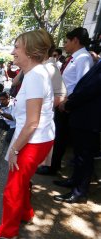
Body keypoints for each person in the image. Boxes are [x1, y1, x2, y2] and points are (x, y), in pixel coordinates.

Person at [0, 29, 55, 239]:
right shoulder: (34, 73)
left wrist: (15, 149)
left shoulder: (36, 76)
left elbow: (32, 122)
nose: (12, 52)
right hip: (37, 138)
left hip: (32, 141)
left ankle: (8, 231)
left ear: (30, 50)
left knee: (13, 188)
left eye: (17, 47)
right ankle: (26, 214)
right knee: (22, 181)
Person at [37, 27, 94, 176]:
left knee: (62, 138)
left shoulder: (83, 58)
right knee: (58, 136)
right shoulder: (75, 58)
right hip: (63, 104)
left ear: (75, 40)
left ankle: (53, 167)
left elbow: (83, 85)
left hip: (69, 106)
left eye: (67, 41)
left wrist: (67, 102)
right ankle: (52, 166)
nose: (65, 44)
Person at [53, 57, 101, 203]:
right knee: (79, 154)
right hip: (83, 117)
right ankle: (75, 181)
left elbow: (89, 90)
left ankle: (80, 192)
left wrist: (68, 103)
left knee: (85, 157)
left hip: (89, 118)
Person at [36, 33, 68, 174]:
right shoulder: (40, 66)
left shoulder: (49, 68)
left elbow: (62, 96)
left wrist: (37, 108)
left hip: (39, 125)